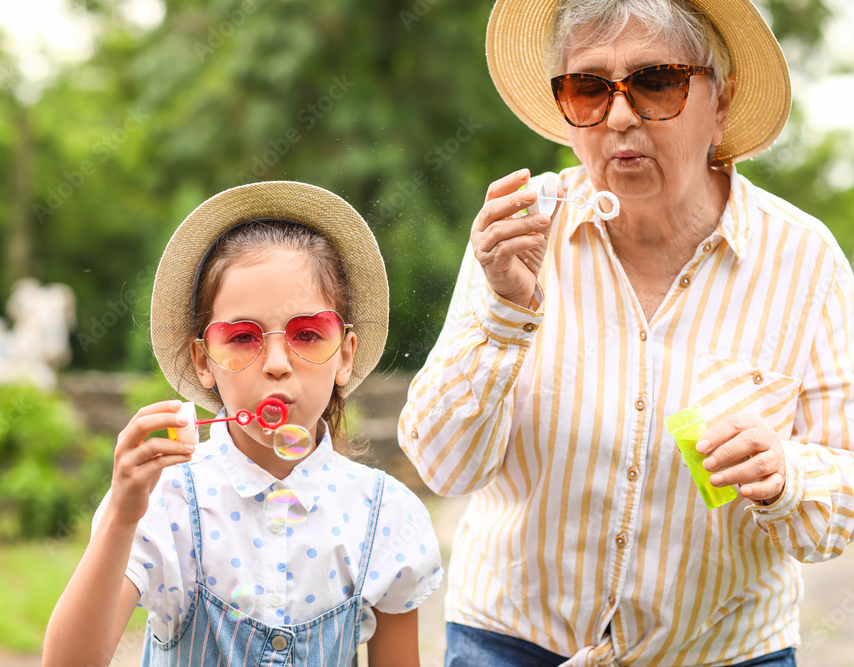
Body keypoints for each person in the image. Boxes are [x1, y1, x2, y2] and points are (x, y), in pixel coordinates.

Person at [398, 0, 854, 665]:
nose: (618, 116)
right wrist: (504, 313)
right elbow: (444, 464)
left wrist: (785, 473)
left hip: (723, 651)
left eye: (656, 82)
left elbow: (842, 506)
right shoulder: (522, 239)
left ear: (720, 102)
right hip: (512, 641)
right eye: (588, 88)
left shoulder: (805, 261)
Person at [44, 181, 443, 666]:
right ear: (203, 360)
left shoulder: (383, 516)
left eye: (308, 333)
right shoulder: (166, 500)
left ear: (345, 356)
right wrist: (122, 517)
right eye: (243, 337)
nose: (276, 362)